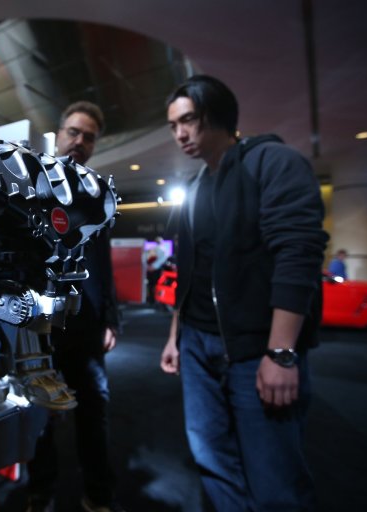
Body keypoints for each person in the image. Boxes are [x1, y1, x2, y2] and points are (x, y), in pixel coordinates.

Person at [159, 75, 328, 511]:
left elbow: (299, 255)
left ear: (217, 113)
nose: (180, 133)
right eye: (173, 125)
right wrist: (177, 334)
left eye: (189, 120)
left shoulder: (273, 162)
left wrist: (282, 353)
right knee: (212, 459)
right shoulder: (195, 186)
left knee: (275, 479)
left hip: (257, 349)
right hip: (197, 344)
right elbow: (189, 269)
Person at [25, 101, 124, 512]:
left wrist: (111, 317)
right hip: (40, 327)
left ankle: (97, 496)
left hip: (86, 327)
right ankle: (40, 495)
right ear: (59, 133)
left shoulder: (96, 193)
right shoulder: (31, 182)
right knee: (39, 418)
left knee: (93, 413)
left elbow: (103, 263)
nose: (80, 141)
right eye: (74, 132)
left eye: (89, 137)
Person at [146, 236, 169, 304]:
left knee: (151, 285)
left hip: (151, 269)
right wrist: (153, 267)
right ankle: (156, 300)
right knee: (157, 285)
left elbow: (147, 259)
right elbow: (161, 260)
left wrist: (150, 267)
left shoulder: (152, 249)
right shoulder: (163, 250)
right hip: (157, 270)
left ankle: (151, 300)